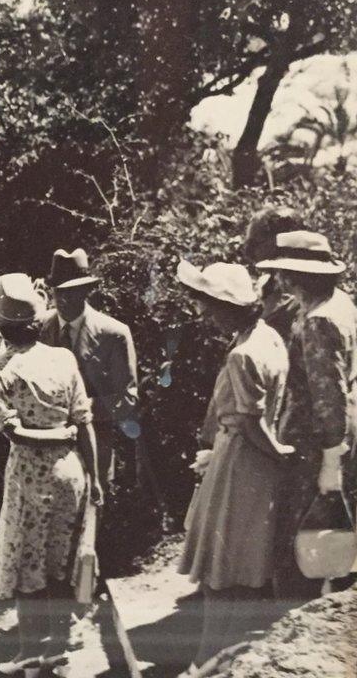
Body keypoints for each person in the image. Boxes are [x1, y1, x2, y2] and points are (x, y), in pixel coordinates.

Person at [0, 273, 103, 676]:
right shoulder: (62, 358)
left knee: (27, 555)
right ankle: (60, 644)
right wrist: (95, 476)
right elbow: (83, 422)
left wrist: (50, 436)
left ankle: (31, 649)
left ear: (0, 325)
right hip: (70, 469)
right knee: (62, 555)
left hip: (30, 473)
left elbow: (11, 429)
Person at [175, 260, 293, 673]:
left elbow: (250, 419)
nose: (204, 314)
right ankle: (219, 659)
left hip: (242, 464)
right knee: (238, 567)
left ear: (229, 307)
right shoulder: (269, 338)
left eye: (209, 304)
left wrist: (276, 451)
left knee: (220, 570)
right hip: (249, 464)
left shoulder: (243, 354)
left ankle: (206, 659)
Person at [256, 230, 357, 601]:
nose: (279, 280)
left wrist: (331, 462)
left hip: (314, 444)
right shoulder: (339, 303)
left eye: (283, 272)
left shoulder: (319, 320)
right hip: (331, 440)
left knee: (301, 545)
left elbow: (329, 396)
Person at [39, 248, 138, 492]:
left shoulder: (113, 334)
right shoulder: (39, 328)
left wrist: (78, 408)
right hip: (43, 454)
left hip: (93, 451)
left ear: (86, 291)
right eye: (58, 290)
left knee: (91, 523)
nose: (63, 299)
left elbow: (127, 400)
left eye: (71, 291)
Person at [242, 207, 306, 344]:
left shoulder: (304, 294)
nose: (248, 252)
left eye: (255, 244)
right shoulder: (264, 285)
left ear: (282, 241)